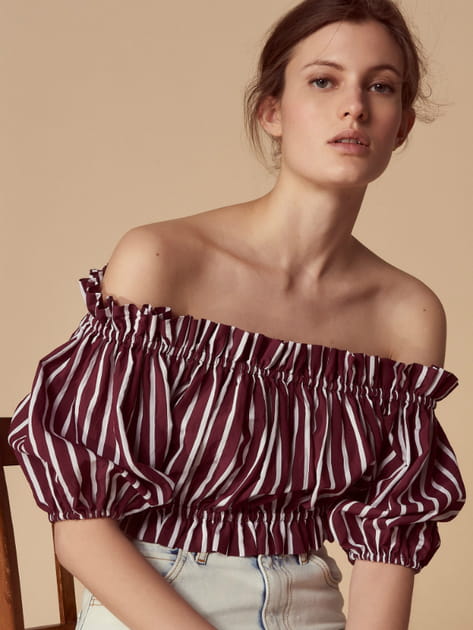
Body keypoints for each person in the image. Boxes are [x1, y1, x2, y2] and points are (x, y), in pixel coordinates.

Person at [8, 1, 466, 629]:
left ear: (402, 126)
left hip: (310, 605)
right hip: (157, 601)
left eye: (380, 86)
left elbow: (388, 542)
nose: (354, 107)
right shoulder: (161, 261)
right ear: (271, 111)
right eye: (324, 81)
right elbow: (81, 529)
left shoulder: (408, 314)